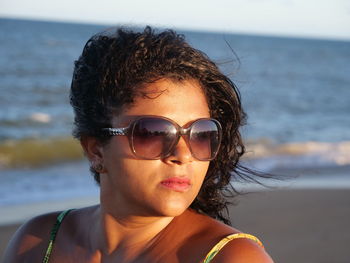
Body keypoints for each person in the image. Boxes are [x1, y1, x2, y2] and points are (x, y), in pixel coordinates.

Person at [3, 26, 274, 262]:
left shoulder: (232, 258)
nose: (183, 155)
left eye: (201, 134)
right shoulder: (38, 243)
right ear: (96, 149)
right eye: (154, 133)